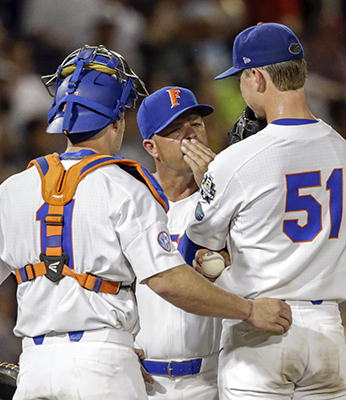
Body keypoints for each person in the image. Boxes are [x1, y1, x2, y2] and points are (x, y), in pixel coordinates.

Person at [0, 44, 292, 400]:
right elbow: (167, 281)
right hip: (104, 365)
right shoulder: (126, 187)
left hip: (35, 368)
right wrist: (249, 310)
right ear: (118, 120)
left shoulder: (11, 189)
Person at [179, 22, 346, 399]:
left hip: (261, 330)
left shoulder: (238, 160)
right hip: (327, 330)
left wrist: (210, 184)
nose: (241, 87)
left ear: (257, 77)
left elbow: (192, 249)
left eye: (241, 78)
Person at [135, 86, 221, 399]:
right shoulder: (130, 203)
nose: (190, 135)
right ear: (151, 147)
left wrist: (215, 191)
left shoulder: (231, 200)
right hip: (143, 383)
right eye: (175, 130)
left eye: (196, 124)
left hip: (212, 379)